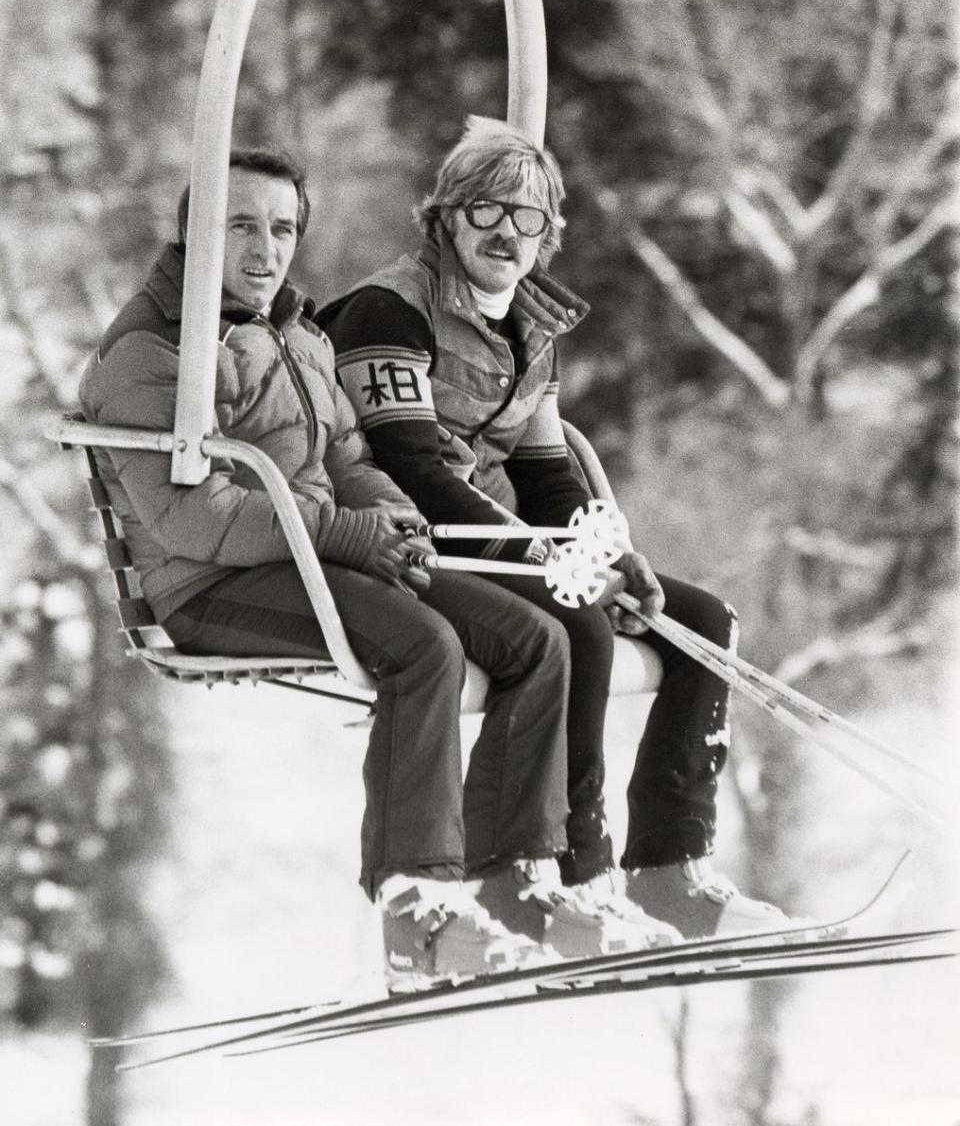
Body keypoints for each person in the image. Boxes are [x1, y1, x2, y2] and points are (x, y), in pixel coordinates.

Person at [78, 145, 656, 991]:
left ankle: (519, 877)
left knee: (535, 636)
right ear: (195, 232)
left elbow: (349, 456)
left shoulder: (297, 335)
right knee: (424, 645)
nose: (265, 249)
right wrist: (347, 534)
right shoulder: (152, 353)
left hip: (321, 550)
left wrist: (394, 518)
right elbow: (194, 517)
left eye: (281, 229)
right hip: (209, 585)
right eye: (241, 225)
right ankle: (417, 913)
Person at [319, 117, 800, 942]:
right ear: (444, 217)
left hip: (502, 535)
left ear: (548, 235)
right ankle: (570, 865)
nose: (507, 231)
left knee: (698, 620)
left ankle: (669, 866)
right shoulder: (388, 311)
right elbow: (414, 471)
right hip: (418, 539)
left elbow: (544, 470)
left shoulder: (531, 331)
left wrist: (607, 555)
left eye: (529, 216)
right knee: (574, 620)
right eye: (485, 210)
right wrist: (552, 559)